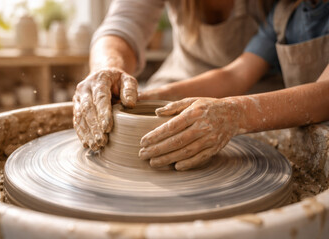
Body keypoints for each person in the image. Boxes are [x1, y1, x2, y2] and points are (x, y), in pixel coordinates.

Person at [138, 0, 329, 170]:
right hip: (308, 131)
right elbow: (235, 75)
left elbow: (325, 94)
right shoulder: (284, 10)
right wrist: (152, 96)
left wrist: (236, 114)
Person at [73, 0, 274, 151]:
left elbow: (237, 75)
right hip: (183, 75)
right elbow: (123, 22)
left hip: (260, 85)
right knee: (133, 125)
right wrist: (106, 68)